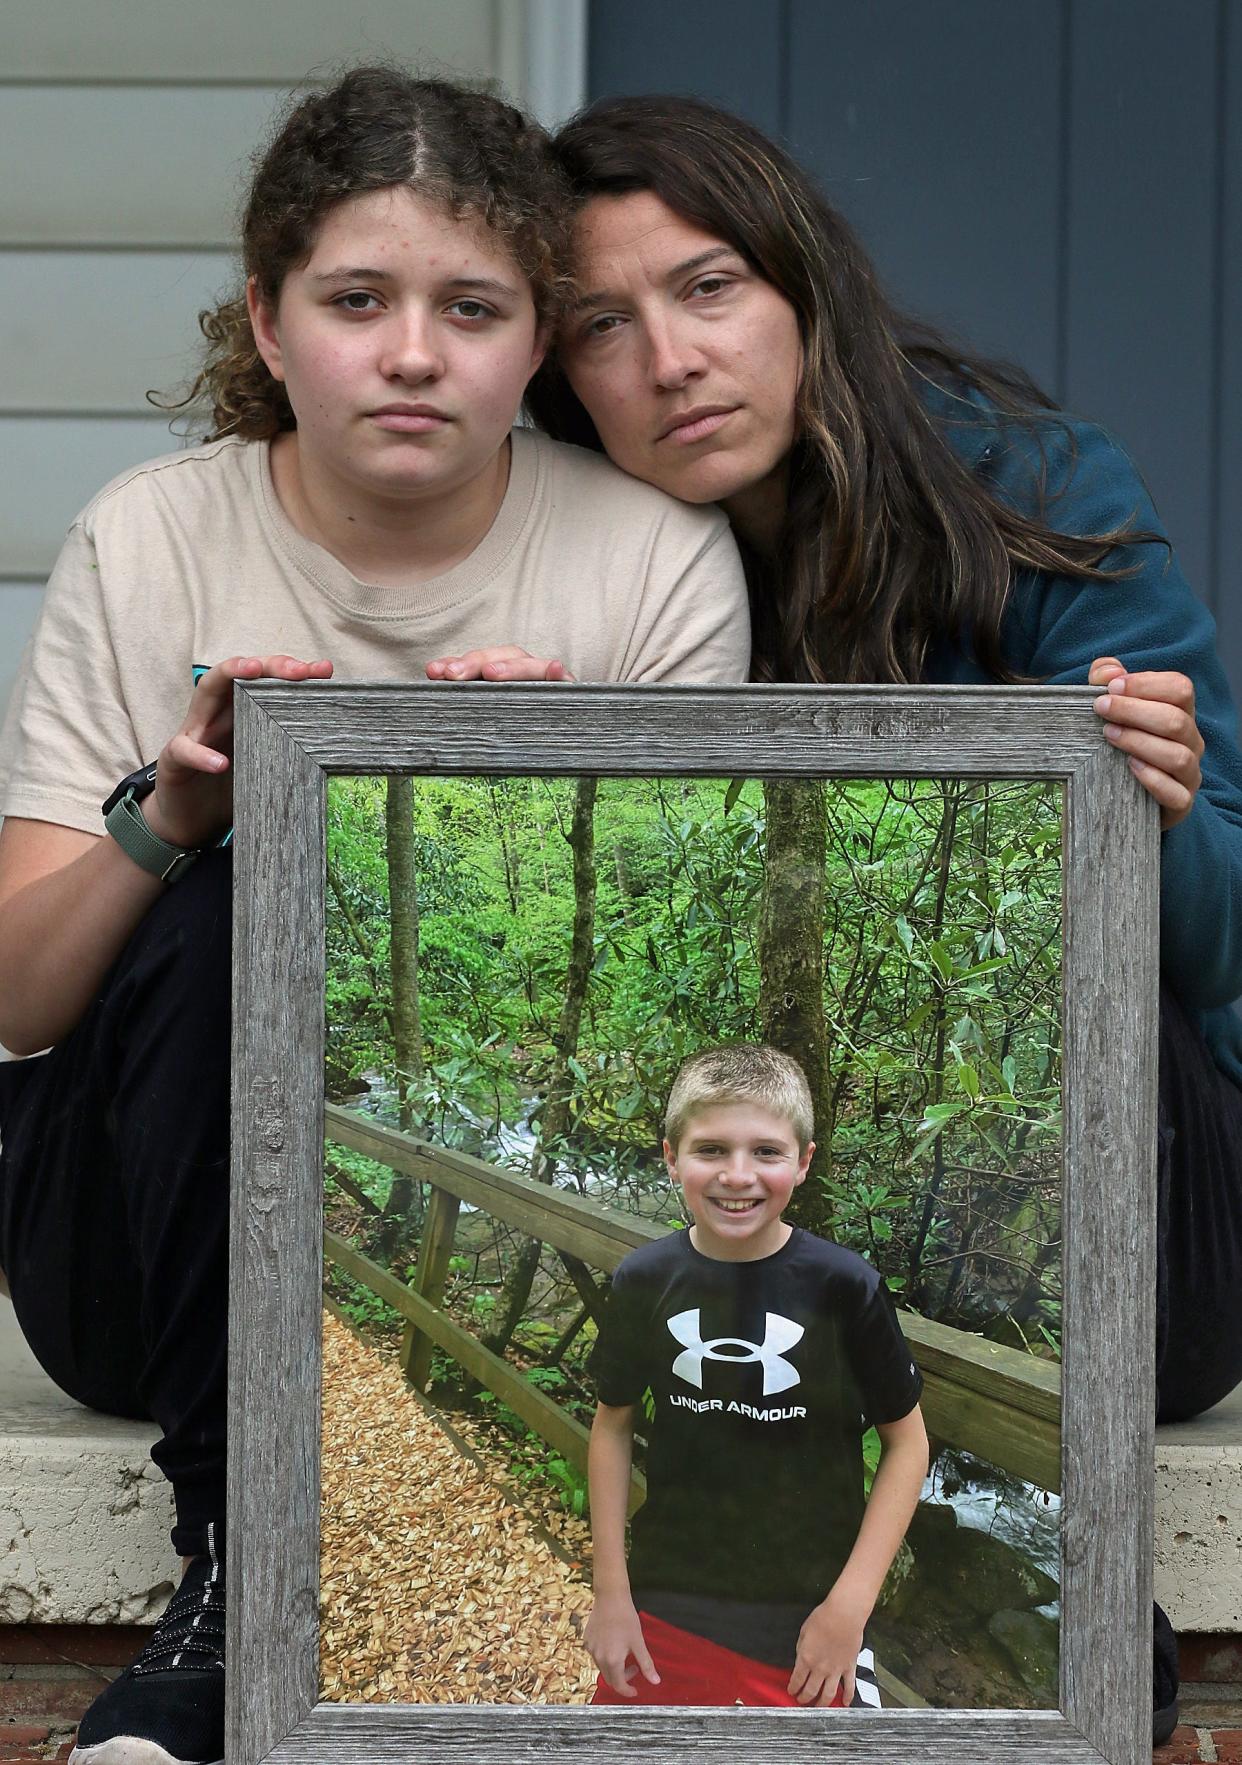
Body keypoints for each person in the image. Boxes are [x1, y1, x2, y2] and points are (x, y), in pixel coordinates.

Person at [0, 69, 749, 1765]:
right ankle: (231, 1584)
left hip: (503, 1239)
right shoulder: (153, 536)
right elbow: (24, 1001)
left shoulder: (647, 565)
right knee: (239, 873)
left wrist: (567, 798)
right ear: (268, 325)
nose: (412, 352)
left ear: (533, 342)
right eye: (356, 300)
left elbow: (688, 1053)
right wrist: (166, 813)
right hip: (136, 1238)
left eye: (471, 308)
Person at [512, 93, 1242, 1743]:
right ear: (560, 378)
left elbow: (1223, 947)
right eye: (603, 328)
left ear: (802, 290)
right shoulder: (570, 548)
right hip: (783, 1277)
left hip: (1132, 1227)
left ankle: (1041, 1637)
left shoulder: (1030, 492)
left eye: (708, 289)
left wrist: (1161, 808)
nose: (670, 359)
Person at [585, 1042, 927, 1708]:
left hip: (810, 1610)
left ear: (803, 1162)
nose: (738, 1174)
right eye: (711, 1149)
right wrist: (612, 1591)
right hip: (667, 1597)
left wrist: (849, 1608)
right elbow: (612, 1426)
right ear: (670, 1156)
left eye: (766, 1151)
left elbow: (907, 1443)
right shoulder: (644, 1279)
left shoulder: (844, 1287)